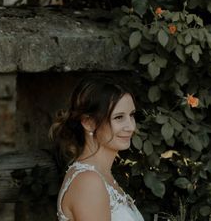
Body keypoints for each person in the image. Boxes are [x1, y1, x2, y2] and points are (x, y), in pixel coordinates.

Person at [50, 76, 144, 221]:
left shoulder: (101, 175)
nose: (131, 127)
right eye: (119, 117)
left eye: (131, 115)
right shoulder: (88, 182)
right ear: (89, 123)